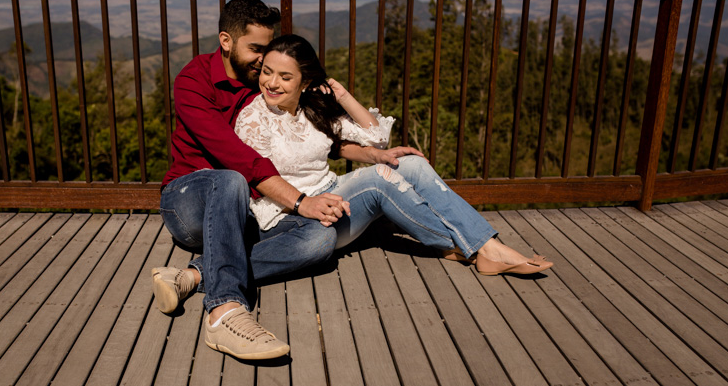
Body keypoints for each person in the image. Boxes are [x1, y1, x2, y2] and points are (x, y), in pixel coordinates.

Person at [234, 34, 554, 276]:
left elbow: (376, 135)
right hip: (292, 216)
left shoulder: (311, 108)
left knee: (410, 164)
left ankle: (486, 246)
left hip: (331, 192)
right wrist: (308, 202)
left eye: (285, 77)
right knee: (380, 181)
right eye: (267, 72)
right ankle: (475, 248)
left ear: (305, 82)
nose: (271, 83)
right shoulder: (253, 120)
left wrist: (342, 95)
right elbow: (259, 182)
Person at [151, 0, 353, 361]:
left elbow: (304, 132)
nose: (264, 60)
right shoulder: (192, 81)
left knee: (321, 238)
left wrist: (316, 97)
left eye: (267, 49)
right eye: (256, 49)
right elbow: (238, 158)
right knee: (229, 178)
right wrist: (300, 202)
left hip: (244, 210)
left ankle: (191, 276)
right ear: (226, 41)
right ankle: (224, 311)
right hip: (189, 202)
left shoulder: (262, 82)